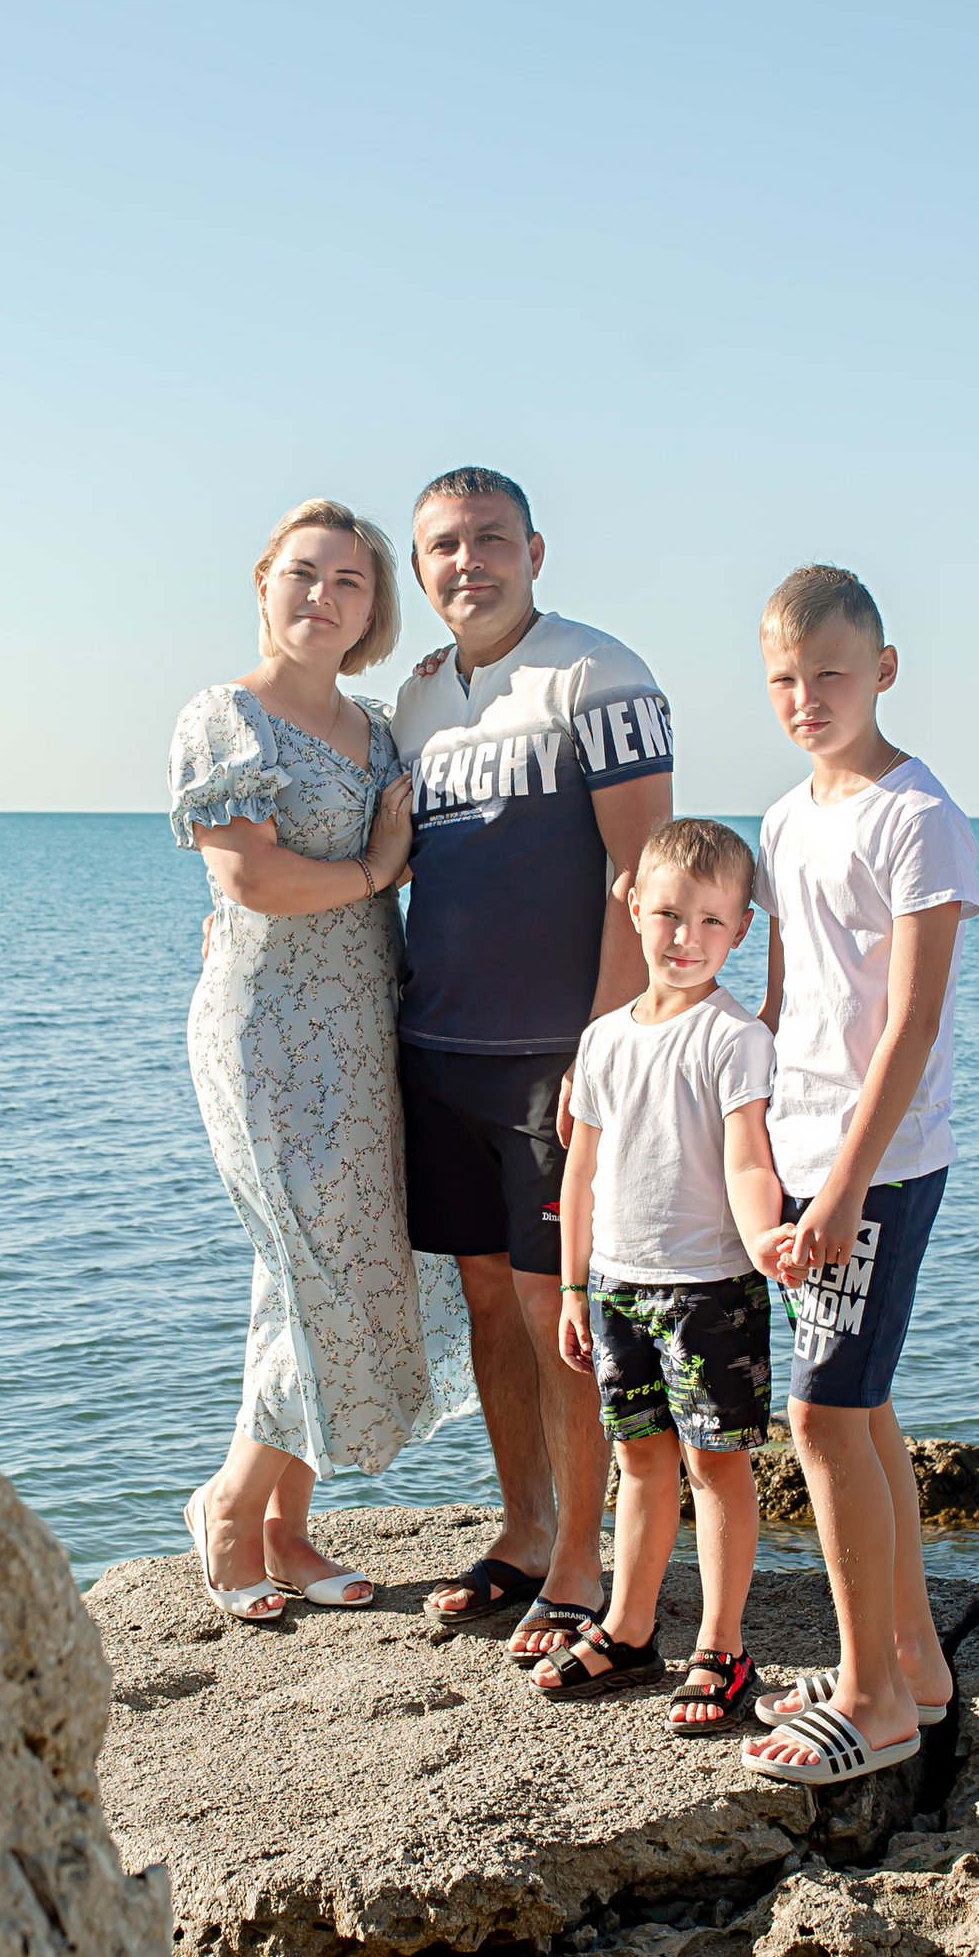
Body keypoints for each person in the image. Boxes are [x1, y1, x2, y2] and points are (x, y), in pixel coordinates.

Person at [387, 468, 674, 1663]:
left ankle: (579, 1560)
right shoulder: (412, 702)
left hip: (555, 1061)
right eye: (446, 547)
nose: (470, 563)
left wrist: (603, 1056)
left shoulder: (598, 673)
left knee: (562, 1312)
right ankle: (522, 1526)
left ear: (535, 550)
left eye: (491, 541)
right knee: (487, 1306)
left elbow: (644, 869)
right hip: (438, 1050)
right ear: (421, 569)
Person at [167, 501, 462, 1623]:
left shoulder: (382, 730)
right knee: (312, 1264)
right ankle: (229, 1511)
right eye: (303, 574)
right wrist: (378, 871)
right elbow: (251, 882)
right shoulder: (222, 717)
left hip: (369, 1024)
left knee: (334, 1267)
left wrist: (455, 677)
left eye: (349, 583)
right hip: (266, 1033)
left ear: (372, 611)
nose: (322, 597)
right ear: (263, 581)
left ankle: (289, 1529)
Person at [737, 564, 979, 1789]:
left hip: (875, 1168)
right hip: (802, 1152)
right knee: (865, 1405)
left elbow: (911, 1024)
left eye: (827, 673)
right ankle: (916, 1666)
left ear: (881, 671)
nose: (805, 696)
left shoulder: (916, 815)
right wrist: (752, 1142)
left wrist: (840, 1189)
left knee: (821, 1416)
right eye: (783, 677)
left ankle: (874, 1702)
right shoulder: (783, 820)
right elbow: (788, 1004)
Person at [541, 818, 782, 1729]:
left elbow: (748, 1160)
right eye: (669, 915)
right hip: (615, 1286)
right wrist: (573, 1287)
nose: (686, 939)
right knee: (639, 1462)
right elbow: (582, 1172)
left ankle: (723, 1648)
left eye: (711, 923)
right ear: (633, 905)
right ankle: (629, 1628)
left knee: (717, 1466)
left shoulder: (733, 1038)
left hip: (710, 1287)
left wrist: (768, 1241)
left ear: (742, 929)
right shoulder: (602, 1040)